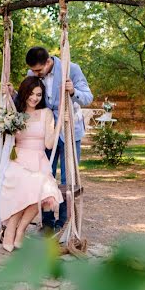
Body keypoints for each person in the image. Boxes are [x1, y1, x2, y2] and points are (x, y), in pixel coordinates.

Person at [25, 46, 93, 231]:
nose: (35, 74)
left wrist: (72, 92)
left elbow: (88, 98)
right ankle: (47, 221)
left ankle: (63, 222)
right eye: (33, 71)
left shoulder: (71, 69)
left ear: (48, 62)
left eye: (39, 70)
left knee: (67, 179)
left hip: (69, 131)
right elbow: (26, 98)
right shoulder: (32, 73)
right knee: (45, 176)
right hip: (45, 132)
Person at [0, 77, 63, 252]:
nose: (34, 98)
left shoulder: (46, 113)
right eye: (31, 94)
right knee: (24, 185)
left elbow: (49, 144)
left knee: (41, 188)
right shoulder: (14, 113)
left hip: (39, 160)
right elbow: (7, 141)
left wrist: (59, 125)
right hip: (18, 159)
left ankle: (20, 230)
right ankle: (11, 228)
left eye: (39, 94)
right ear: (25, 93)